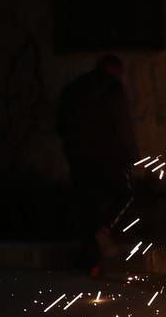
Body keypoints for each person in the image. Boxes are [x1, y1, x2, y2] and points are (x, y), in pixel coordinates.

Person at [57, 54, 137, 277]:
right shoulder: (113, 90)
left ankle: (91, 264)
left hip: (78, 158)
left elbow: (61, 125)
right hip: (108, 157)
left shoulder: (73, 88)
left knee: (87, 207)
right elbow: (123, 127)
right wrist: (131, 156)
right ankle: (104, 229)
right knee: (125, 194)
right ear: (113, 70)